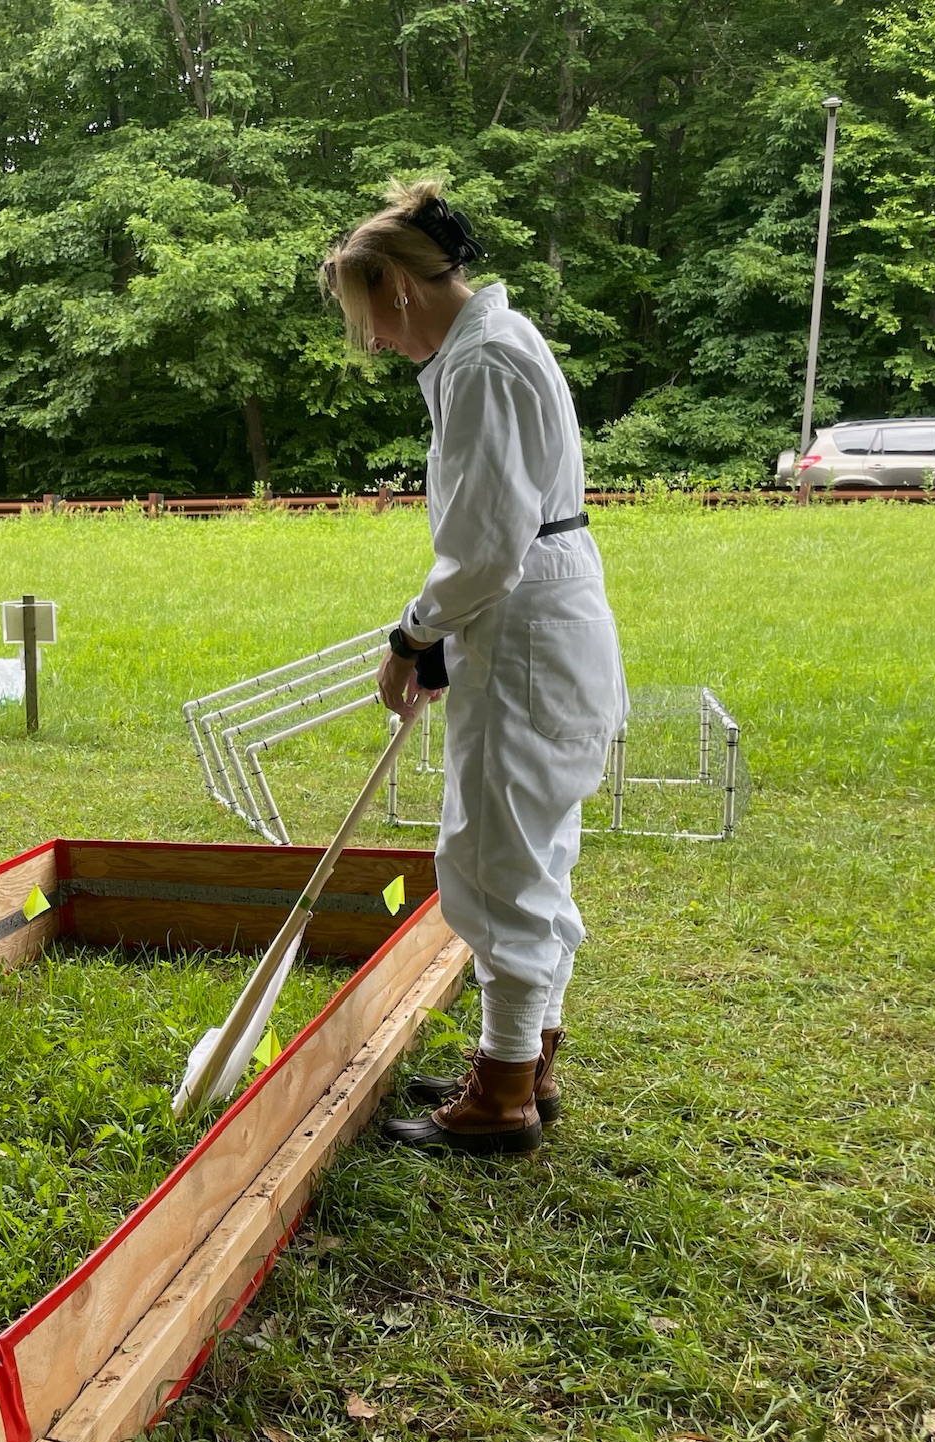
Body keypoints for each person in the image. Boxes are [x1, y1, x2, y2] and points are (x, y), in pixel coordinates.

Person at [320, 182, 625, 1157]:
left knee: (494, 862)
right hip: (537, 616)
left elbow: (487, 548)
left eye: (364, 317)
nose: (369, 341)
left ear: (396, 291)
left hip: (525, 625)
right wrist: (442, 635)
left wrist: (412, 637)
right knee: (527, 851)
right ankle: (522, 1066)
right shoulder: (493, 348)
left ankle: (499, 1102)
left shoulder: (483, 360)